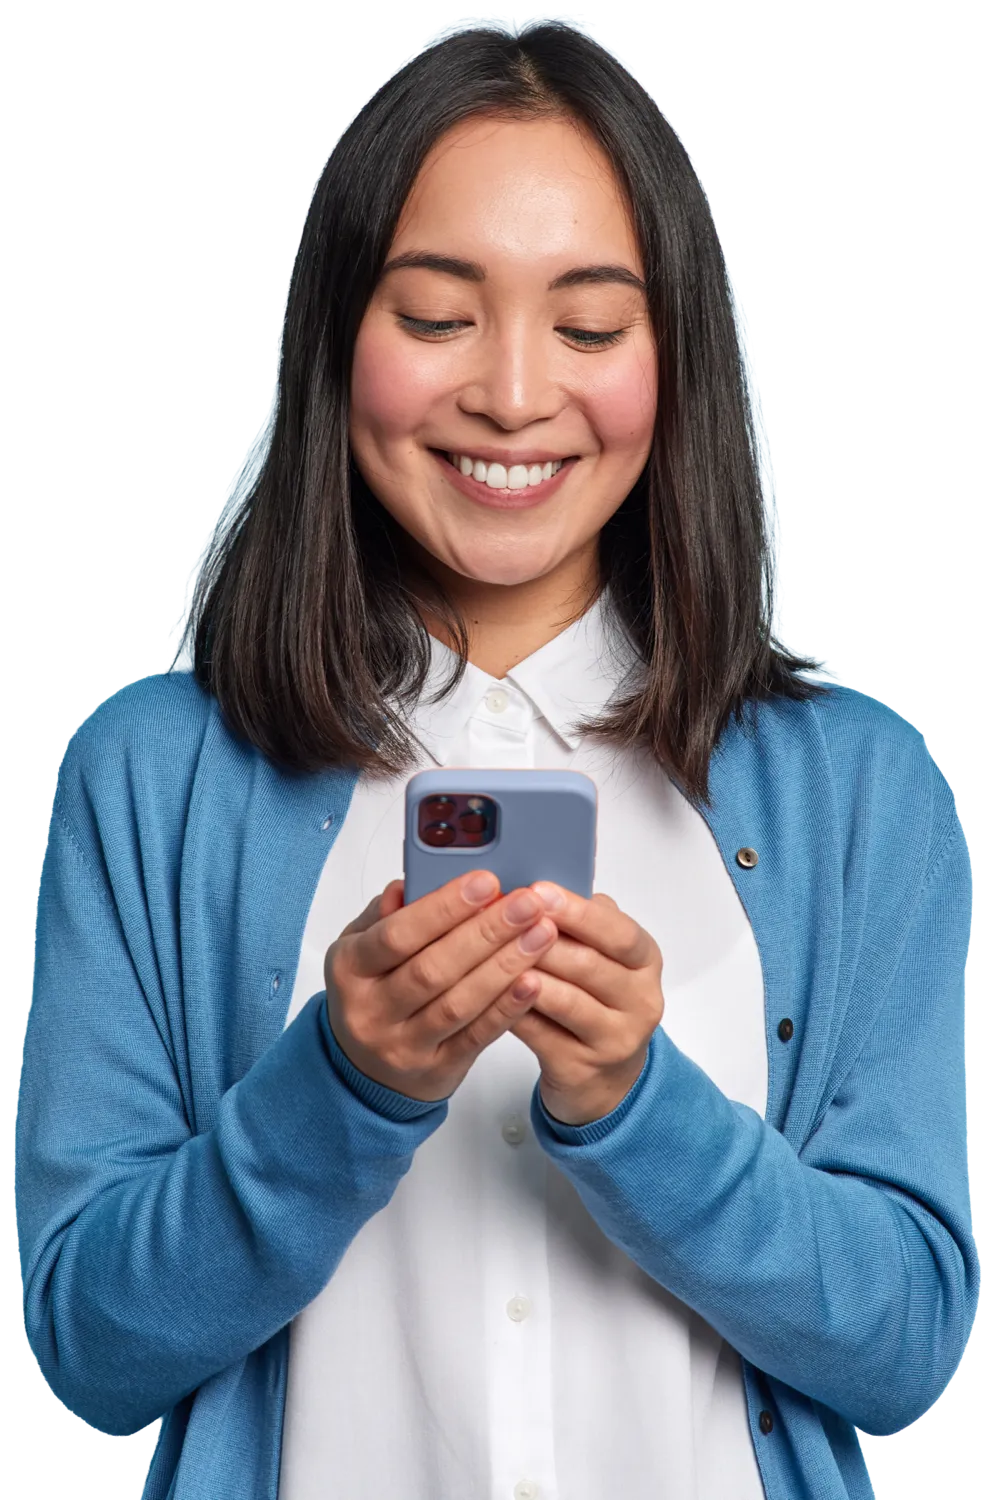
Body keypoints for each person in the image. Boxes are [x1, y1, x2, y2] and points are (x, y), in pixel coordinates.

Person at [15, 15, 976, 1500]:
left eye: (589, 326)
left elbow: (903, 1344)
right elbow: (91, 1347)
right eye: (436, 314)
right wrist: (341, 1082)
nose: (514, 395)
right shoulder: (152, 776)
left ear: (675, 362)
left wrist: (635, 1107)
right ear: (337, 341)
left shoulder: (859, 791)